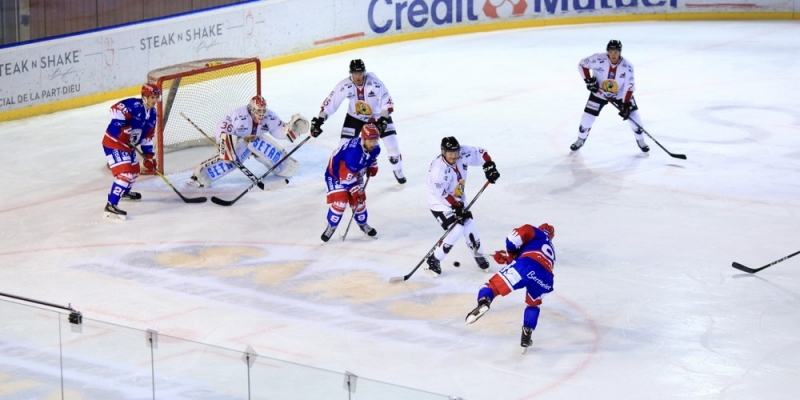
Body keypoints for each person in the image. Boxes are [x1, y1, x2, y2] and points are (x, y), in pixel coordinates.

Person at [310, 59, 406, 184]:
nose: (357, 76)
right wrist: (319, 120)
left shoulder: (375, 84)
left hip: (378, 117)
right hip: (355, 117)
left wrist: (383, 120)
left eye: (360, 73)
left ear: (364, 73)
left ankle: (397, 170)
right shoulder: (344, 85)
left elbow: (387, 103)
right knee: (342, 146)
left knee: (392, 144)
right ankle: (337, 174)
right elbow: (330, 103)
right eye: (355, 73)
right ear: (351, 73)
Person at [465, 223, 556, 352]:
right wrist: (509, 258)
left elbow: (513, 239)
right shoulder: (550, 249)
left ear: (540, 229)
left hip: (526, 265)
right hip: (546, 279)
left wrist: (510, 253)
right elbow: (535, 260)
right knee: (533, 305)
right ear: (551, 237)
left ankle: (484, 301)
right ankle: (527, 335)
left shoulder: (536, 232)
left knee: (491, 287)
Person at [188, 95, 308, 188]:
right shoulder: (238, 116)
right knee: (230, 159)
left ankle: (285, 166)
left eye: (263, 110)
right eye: (258, 111)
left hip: (256, 141)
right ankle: (202, 176)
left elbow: (278, 131)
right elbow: (222, 126)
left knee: (261, 144)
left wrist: (289, 130)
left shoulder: (270, 116)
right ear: (251, 109)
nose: (261, 114)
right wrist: (223, 142)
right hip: (240, 143)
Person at [423, 136, 500, 276]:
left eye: (455, 153)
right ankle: (434, 259)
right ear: (443, 152)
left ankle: (478, 254)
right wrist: (456, 207)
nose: (454, 156)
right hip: (439, 203)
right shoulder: (438, 170)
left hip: (457, 198)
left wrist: (489, 166)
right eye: (450, 153)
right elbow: (442, 194)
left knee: (468, 223)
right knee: (456, 228)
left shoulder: (462, 153)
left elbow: (481, 153)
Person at [570, 40, 650, 153]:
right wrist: (589, 81)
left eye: (616, 51)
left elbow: (629, 86)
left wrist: (625, 104)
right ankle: (580, 139)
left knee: (635, 117)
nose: (613, 54)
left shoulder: (627, 66)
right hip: (599, 93)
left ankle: (641, 140)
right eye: (611, 51)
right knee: (587, 118)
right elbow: (582, 64)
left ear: (620, 52)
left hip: (621, 95)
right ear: (607, 51)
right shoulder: (598, 59)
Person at [102, 83, 160, 220]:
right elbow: (114, 110)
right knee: (126, 173)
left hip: (129, 146)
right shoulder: (133, 105)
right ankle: (111, 204)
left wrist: (149, 156)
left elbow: (147, 137)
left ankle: (124, 192)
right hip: (114, 143)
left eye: (156, 97)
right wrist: (122, 127)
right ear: (144, 97)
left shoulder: (152, 114)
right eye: (152, 97)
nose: (155, 100)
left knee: (135, 171)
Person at [321, 123, 381, 242]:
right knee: (341, 202)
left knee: (358, 203)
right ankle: (331, 226)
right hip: (336, 175)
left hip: (354, 173)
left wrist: (372, 166)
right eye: (370, 141)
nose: (373, 144)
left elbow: (371, 158)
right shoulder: (353, 155)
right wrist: (356, 191)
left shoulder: (374, 147)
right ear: (363, 139)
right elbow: (345, 178)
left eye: (375, 140)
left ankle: (363, 224)